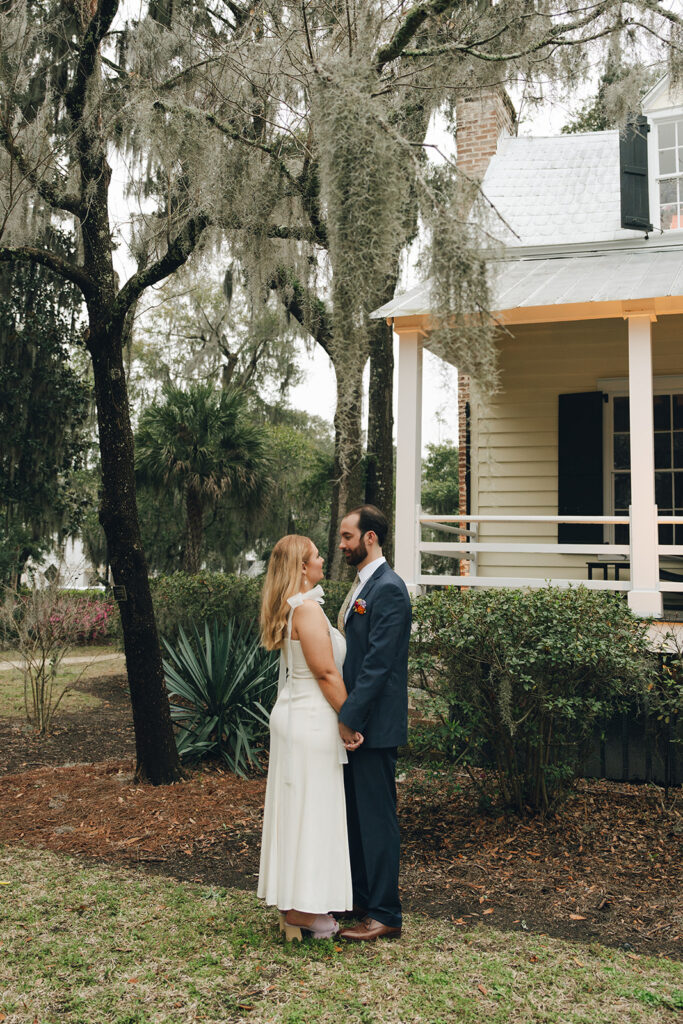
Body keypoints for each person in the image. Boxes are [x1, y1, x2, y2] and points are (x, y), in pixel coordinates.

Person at [257, 534, 362, 941]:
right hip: (311, 721)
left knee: (298, 811)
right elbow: (326, 674)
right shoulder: (308, 611)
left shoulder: (294, 608)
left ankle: (296, 905)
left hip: (295, 716)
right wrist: (349, 719)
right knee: (312, 813)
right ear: (302, 566)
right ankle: (303, 912)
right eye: (317, 556)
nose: (323, 561)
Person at [335, 505, 411, 942]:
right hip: (358, 726)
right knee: (357, 818)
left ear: (370, 539)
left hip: (373, 728)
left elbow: (378, 666)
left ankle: (386, 914)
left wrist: (349, 719)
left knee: (378, 820)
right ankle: (363, 900)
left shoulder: (390, 590)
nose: (341, 544)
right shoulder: (364, 586)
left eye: (347, 536)